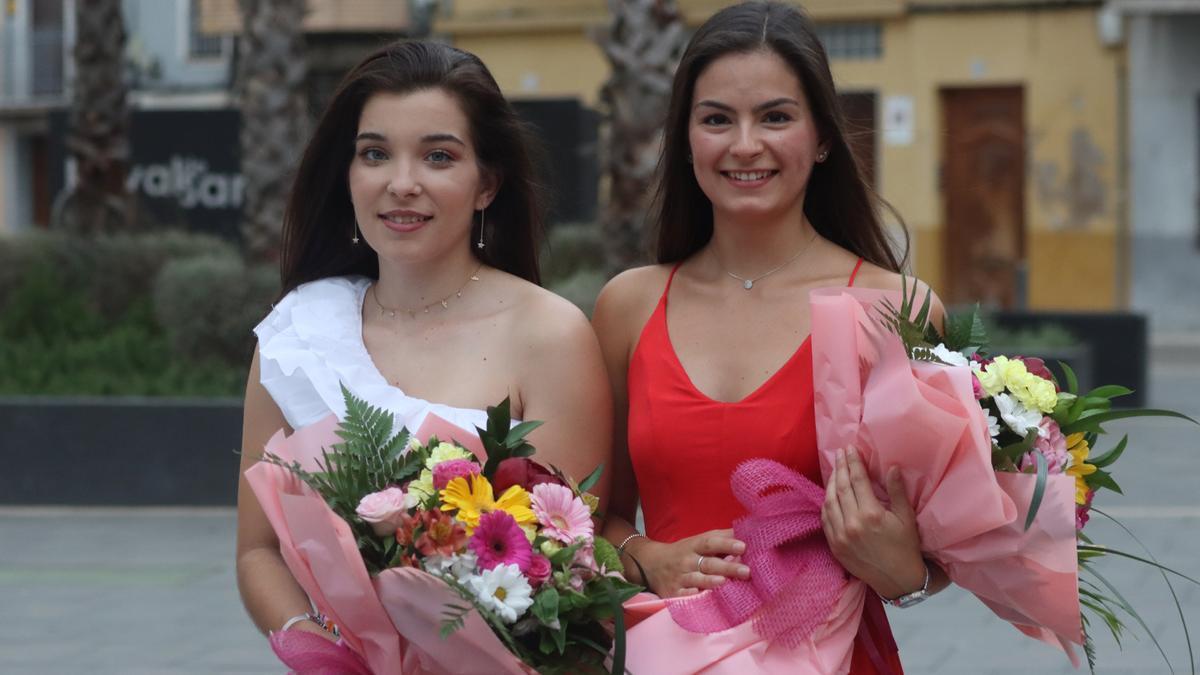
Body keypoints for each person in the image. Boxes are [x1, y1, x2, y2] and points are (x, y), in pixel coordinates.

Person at [593, 2, 949, 671]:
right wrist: (647, 556)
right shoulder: (627, 306)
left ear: (821, 138)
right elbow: (588, 519)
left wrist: (905, 570)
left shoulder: (897, 307)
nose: (745, 144)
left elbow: (943, 546)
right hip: (668, 656)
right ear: (687, 137)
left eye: (776, 116)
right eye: (717, 118)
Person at [235, 40, 612, 642]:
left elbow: (565, 566)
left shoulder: (550, 334)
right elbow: (259, 552)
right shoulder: (299, 331)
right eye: (375, 154)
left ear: (487, 183)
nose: (401, 183)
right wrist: (324, 650)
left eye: (438, 156)